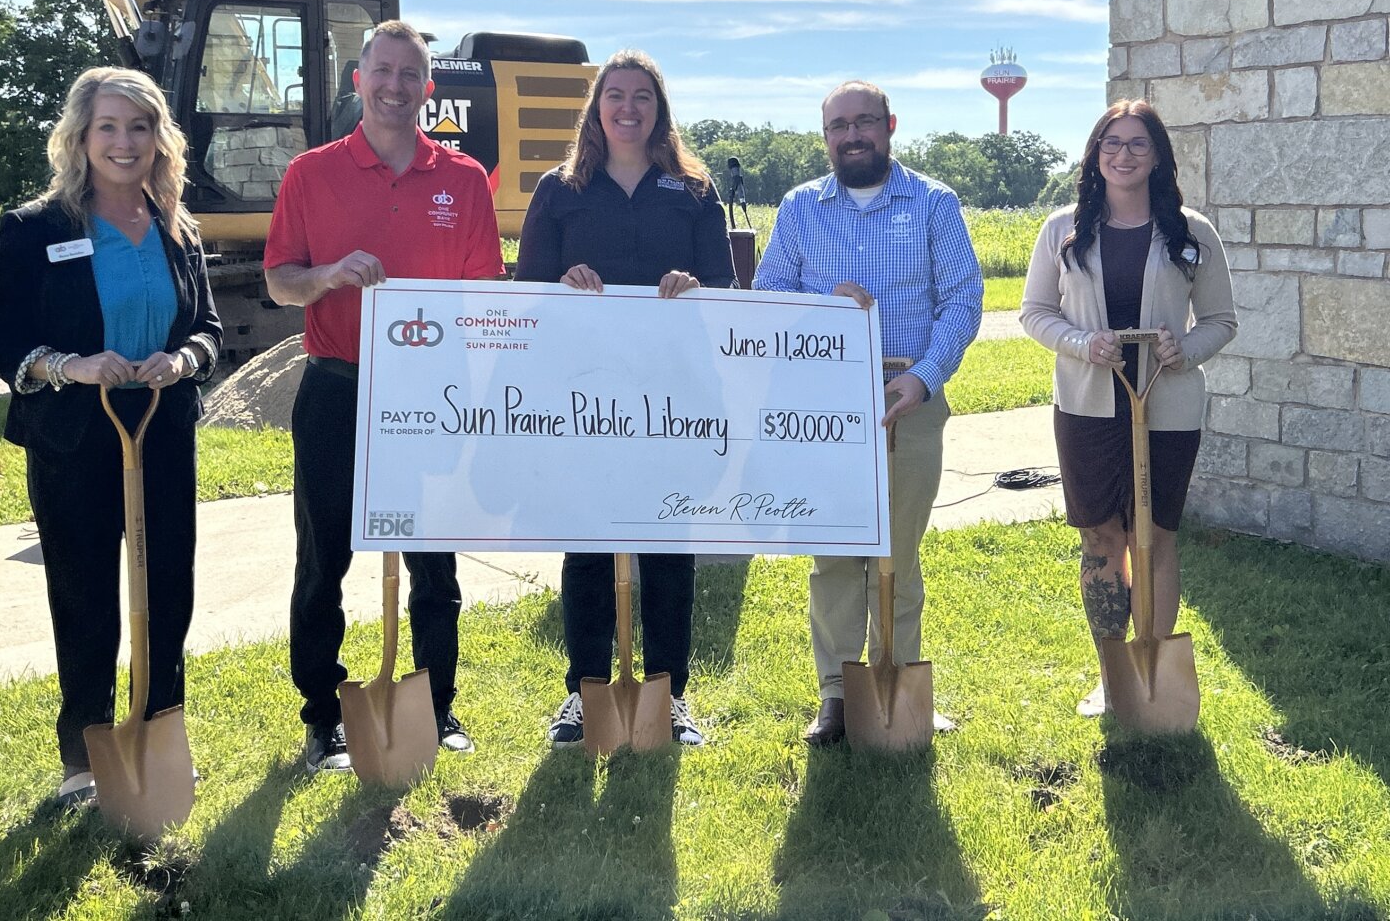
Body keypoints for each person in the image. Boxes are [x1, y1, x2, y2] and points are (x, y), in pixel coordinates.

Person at [0, 67, 222, 806]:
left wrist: (183, 359)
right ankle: (86, 756)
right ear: (81, 137)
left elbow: (208, 329)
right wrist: (69, 366)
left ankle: (158, 733)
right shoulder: (36, 229)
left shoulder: (177, 226)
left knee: (167, 589)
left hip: (161, 429)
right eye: (108, 127)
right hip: (76, 437)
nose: (124, 142)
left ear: (159, 139)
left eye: (139, 127)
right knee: (83, 594)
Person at [264, 20, 501, 772]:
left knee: (434, 559)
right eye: (383, 71)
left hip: (431, 393)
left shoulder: (464, 178)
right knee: (322, 557)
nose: (395, 86)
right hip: (337, 387)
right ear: (358, 80)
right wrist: (328, 275)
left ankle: (435, 703)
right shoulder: (311, 174)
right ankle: (322, 714)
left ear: (428, 89)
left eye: (410, 75)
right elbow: (280, 281)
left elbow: (483, 294)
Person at [515, 49, 736, 749]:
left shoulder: (694, 191)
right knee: (588, 544)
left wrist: (694, 289)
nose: (628, 108)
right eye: (615, 95)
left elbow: (725, 292)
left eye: (642, 96)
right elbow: (527, 295)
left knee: (668, 546)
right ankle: (584, 693)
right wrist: (562, 288)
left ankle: (670, 695)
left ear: (659, 109)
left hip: (674, 398)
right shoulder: (560, 190)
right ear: (597, 108)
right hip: (586, 398)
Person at [753, 79, 981, 745]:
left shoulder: (934, 203)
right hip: (824, 404)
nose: (852, 136)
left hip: (907, 397)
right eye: (838, 126)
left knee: (897, 553)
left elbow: (963, 299)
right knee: (832, 556)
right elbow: (769, 295)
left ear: (889, 125)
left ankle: (898, 681)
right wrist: (823, 310)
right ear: (825, 136)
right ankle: (836, 694)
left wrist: (924, 377)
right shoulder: (800, 208)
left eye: (864, 122)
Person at [1019, 99, 1235, 716]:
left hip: (1167, 407)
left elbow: (1221, 319)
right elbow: (1035, 312)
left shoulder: (1191, 232)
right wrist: (1082, 344)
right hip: (1087, 406)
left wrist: (1184, 350)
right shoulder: (1063, 230)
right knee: (1100, 536)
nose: (1123, 155)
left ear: (1158, 156)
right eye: (1111, 143)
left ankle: (1153, 667)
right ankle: (1112, 674)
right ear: (1095, 156)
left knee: (1154, 536)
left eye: (1139, 143)